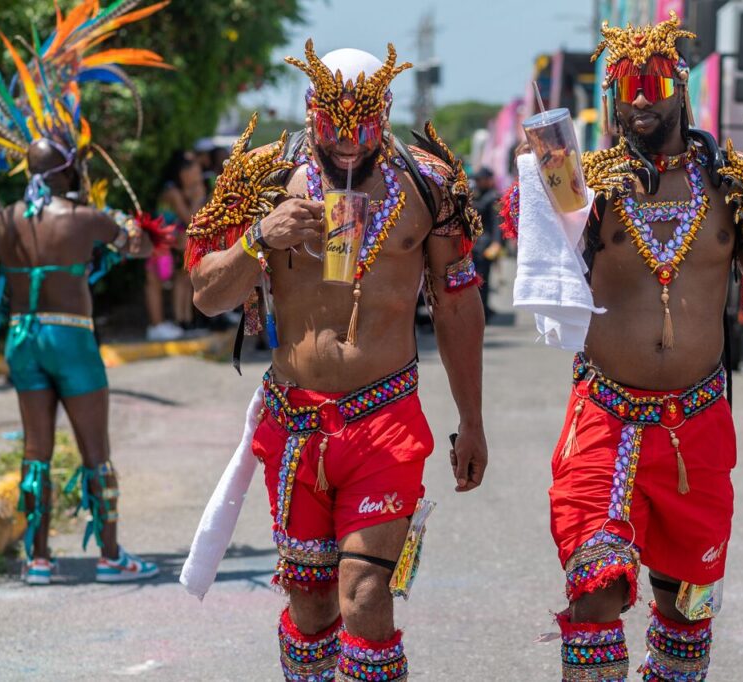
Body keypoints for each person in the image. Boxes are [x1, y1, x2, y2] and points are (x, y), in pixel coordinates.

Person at [505, 16, 743, 680]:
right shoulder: (587, 184)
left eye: (654, 83)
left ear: (681, 89)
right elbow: (532, 244)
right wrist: (546, 185)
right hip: (604, 424)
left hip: (698, 433)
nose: (639, 98)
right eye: (625, 85)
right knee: (595, 593)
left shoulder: (736, 187)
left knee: (687, 618)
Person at [186, 43, 488, 680]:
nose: (349, 147)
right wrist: (259, 237)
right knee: (312, 604)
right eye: (334, 130)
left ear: (386, 111)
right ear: (310, 111)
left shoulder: (429, 182)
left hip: (385, 420)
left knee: (366, 596)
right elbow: (207, 295)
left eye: (365, 130)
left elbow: (457, 304)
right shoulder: (263, 177)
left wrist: (472, 420)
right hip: (295, 423)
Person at [0, 0, 171, 585]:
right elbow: (141, 245)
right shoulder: (86, 218)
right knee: (95, 450)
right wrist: (129, 227)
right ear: (67, 171)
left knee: (35, 451)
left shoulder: (4, 220)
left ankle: (38, 559)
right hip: (71, 341)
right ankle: (111, 556)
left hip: (22, 339)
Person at [145, 150, 206, 340]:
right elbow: (190, 219)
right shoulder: (172, 192)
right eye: (194, 174)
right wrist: (197, 198)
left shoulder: (178, 191)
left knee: (183, 279)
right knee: (157, 282)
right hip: (159, 244)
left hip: (170, 242)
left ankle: (184, 321)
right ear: (182, 173)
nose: (196, 179)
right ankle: (162, 324)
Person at [471, 167, 504, 320]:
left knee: (482, 280)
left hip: (485, 245)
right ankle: (480, 308)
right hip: (475, 245)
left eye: (480, 180)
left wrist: (496, 243)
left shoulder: (493, 197)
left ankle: (482, 310)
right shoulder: (477, 194)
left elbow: (497, 223)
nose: (478, 182)